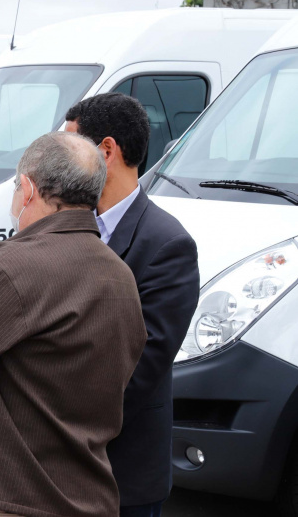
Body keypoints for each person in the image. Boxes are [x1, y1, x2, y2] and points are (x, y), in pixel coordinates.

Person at [0, 131, 147, 517]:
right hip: (87, 489)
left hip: (6, 489)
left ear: (28, 188)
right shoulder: (119, 274)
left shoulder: (12, 265)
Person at [66, 93, 200, 517]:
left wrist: (57, 420)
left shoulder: (167, 243)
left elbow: (142, 363)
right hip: (57, 465)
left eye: (69, 148)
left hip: (122, 470)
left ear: (106, 150)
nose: (58, 161)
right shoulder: (67, 221)